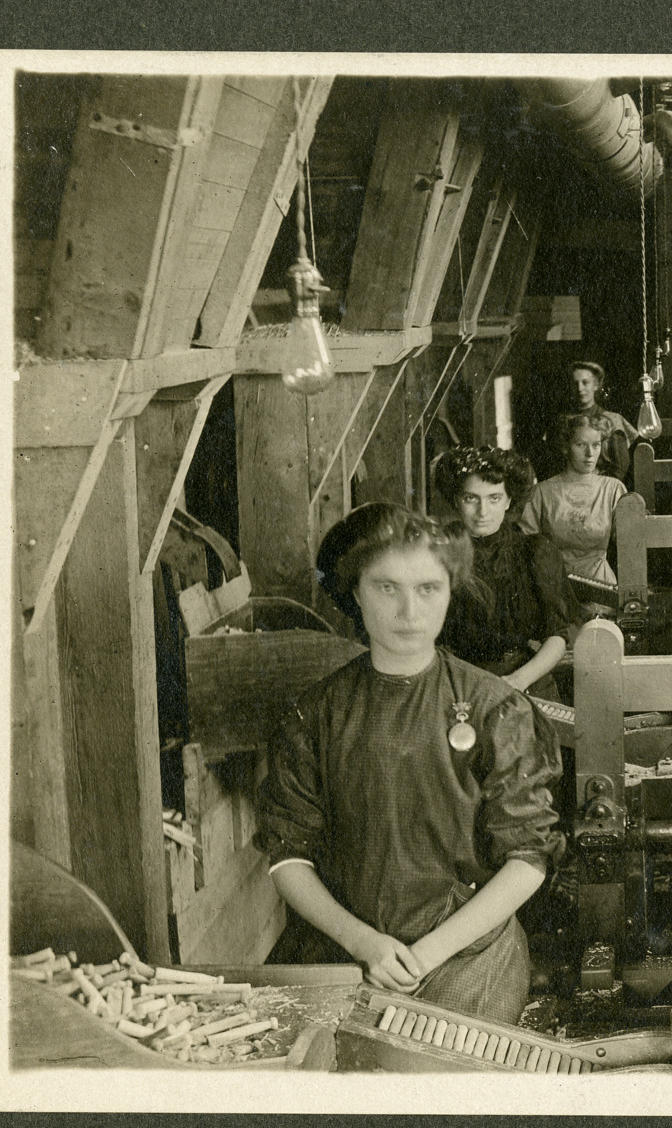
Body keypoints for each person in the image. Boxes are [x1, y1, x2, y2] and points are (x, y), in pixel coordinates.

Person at [256, 504, 561, 1025]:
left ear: (450, 590)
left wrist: (428, 953)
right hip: (342, 953)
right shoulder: (317, 713)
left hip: (467, 958)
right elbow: (288, 858)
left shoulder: (494, 708)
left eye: (428, 589)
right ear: (356, 592)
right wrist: (365, 943)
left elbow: (528, 858)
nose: (409, 612)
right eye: (386, 588)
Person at [432, 445, 581, 700]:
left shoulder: (534, 552)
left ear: (509, 500)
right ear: (456, 500)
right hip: (456, 683)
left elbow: (557, 637)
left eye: (494, 498)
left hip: (524, 680)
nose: (483, 512)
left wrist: (516, 681)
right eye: (471, 498)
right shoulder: (437, 553)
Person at [518, 412, 630, 611]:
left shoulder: (613, 489)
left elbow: (630, 544)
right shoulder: (542, 493)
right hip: (556, 593)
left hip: (602, 593)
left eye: (596, 445)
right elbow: (527, 549)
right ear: (565, 447)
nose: (590, 454)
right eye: (580, 445)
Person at [564, 360, 639, 482]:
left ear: (596, 385)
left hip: (603, 487)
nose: (580, 388)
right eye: (575, 383)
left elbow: (619, 468)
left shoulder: (613, 420)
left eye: (585, 383)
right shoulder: (564, 421)